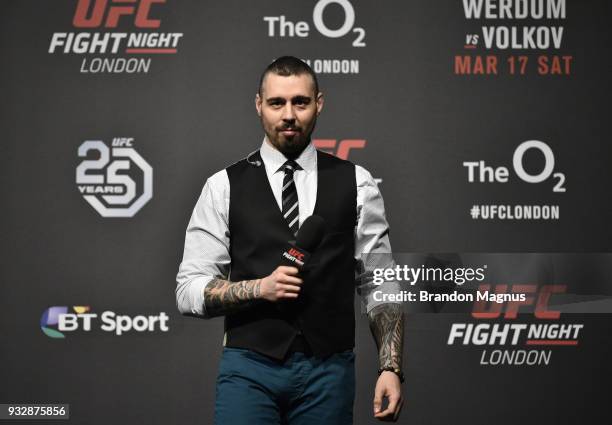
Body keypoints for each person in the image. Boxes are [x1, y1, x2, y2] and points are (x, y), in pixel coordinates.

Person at [176, 56, 404, 424]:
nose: (288, 115)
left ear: (319, 104)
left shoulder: (357, 182)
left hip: (329, 371)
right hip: (249, 369)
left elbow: (380, 282)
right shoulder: (223, 187)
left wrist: (390, 367)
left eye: (300, 102)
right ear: (258, 105)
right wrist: (258, 288)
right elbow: (188, 291)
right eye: (276, 102)